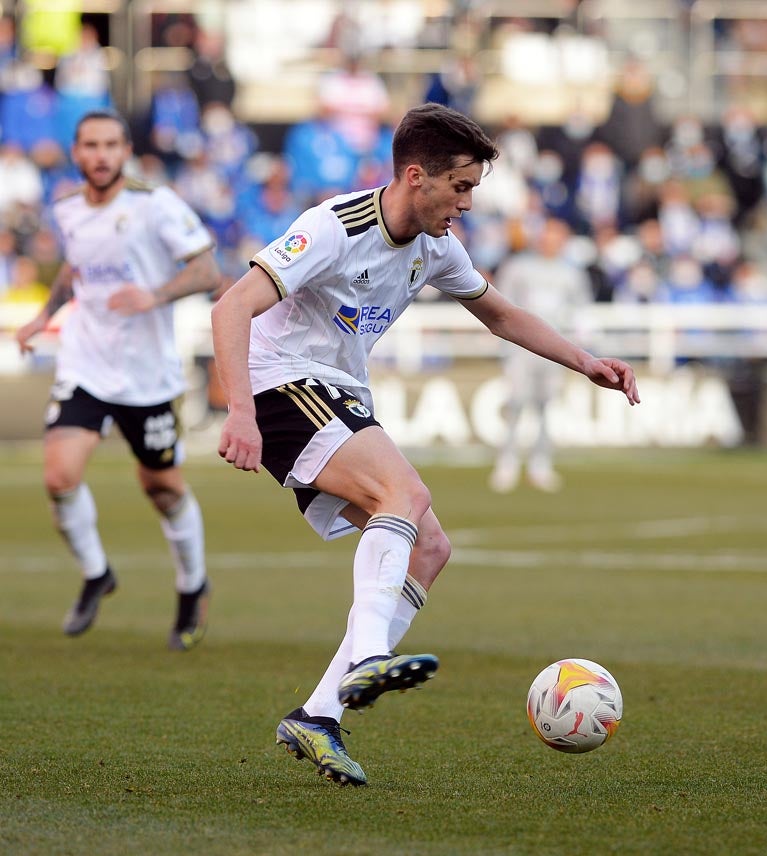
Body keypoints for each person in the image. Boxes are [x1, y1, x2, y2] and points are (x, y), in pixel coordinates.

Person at [212, 103, 640, 787]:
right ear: (417, 177)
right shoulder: (333, 228)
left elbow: (499, 313)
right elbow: (231, 305)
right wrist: (239, 413)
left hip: (339, 394)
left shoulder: (437, 244)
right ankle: (368, 659)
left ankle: (318, 716)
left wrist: (584, 361)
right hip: (279, 386)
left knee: (431, 546)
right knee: (404, 494)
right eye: (461, 188)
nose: (468, 203)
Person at [15, 108, 220, 649]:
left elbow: (207, 269)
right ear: (76, 152)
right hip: (85, 363)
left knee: (161, 486)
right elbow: (75, 265)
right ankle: (96, 573)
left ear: (126, 151)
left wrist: (152, 295)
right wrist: (44, 314)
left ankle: (192, 584)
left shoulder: (155, 204)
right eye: (90, 145)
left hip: (146, 373)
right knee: (59, 477)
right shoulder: (67, 208)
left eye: (111, 145)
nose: (100, 155)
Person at [489, 216, 592, 493]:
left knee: (545, 406)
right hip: (521, 349)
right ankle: (507, 461)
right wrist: (506, 348)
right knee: (516, 403)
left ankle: (540, 463)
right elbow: (501, 305)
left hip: (556, 350)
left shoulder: (572, 273)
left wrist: (582, 343)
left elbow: (581, 310)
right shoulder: (519, 267)